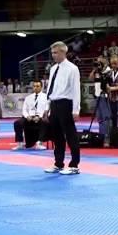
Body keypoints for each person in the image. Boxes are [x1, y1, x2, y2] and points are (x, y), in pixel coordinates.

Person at [44, 41, 81, 175]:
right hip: (54, 103)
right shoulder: (53, 68)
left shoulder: (72, 68)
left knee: (70, 135)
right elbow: (50, 89)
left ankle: (74, 165)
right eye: (52, 53)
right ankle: (58, 163)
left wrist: (76, 110)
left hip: (66, 103)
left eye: (55, 52)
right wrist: (47, 106)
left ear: (63, 52)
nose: (53, 55)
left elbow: (76, 90)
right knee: (57, 136)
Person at [12, 80, 49, 150]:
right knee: (17, 123)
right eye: (34, 86)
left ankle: (39, 143)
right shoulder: (28, 97)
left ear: (41, 87)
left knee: (45, 123)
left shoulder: (46, 97)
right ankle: (20, 143)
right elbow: (24, 109)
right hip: (29, 117)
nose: (35, 88)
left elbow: (46, 109)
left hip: (40, 117)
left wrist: (39, 116)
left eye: (37, 86)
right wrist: (27, 116)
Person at [88, 56, 113, 147]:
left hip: (104, 96)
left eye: (99, 62)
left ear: (105, 62)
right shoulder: (97, 71)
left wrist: (101, 70)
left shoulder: (108, 70)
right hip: (97, 96)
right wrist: (95, 69)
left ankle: (107, 138)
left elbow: (109, 82)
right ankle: (101, 137)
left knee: (106, 118)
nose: (98, 64)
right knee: (99, 118)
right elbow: (90, 78)